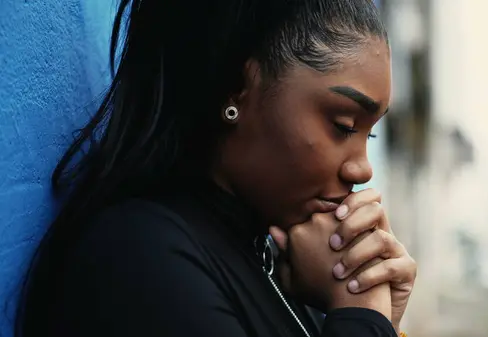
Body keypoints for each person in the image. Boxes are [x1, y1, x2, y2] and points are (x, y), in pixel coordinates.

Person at [15, 0, 417, 336]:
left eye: (370, 135)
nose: (362, 170)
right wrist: (364, 316)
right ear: (236, 88)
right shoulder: (140, 258)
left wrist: (383, 314)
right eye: (343, 126)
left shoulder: (281, 262)